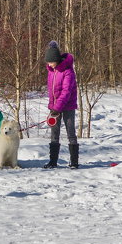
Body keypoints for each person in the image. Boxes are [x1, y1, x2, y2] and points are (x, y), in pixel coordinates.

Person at [43, 40, 79, 168]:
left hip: (67, 106)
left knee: (71, 132)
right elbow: (52, 91)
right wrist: (53, 107)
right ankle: (53, 161)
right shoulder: (51, 71)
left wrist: (58, 107)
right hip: (54, 107)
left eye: (51, 62)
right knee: (54, 133)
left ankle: (74, 162)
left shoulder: (68, 71)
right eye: (48, 62)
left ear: (57, 60)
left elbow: (66, 91)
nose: (50, 64)